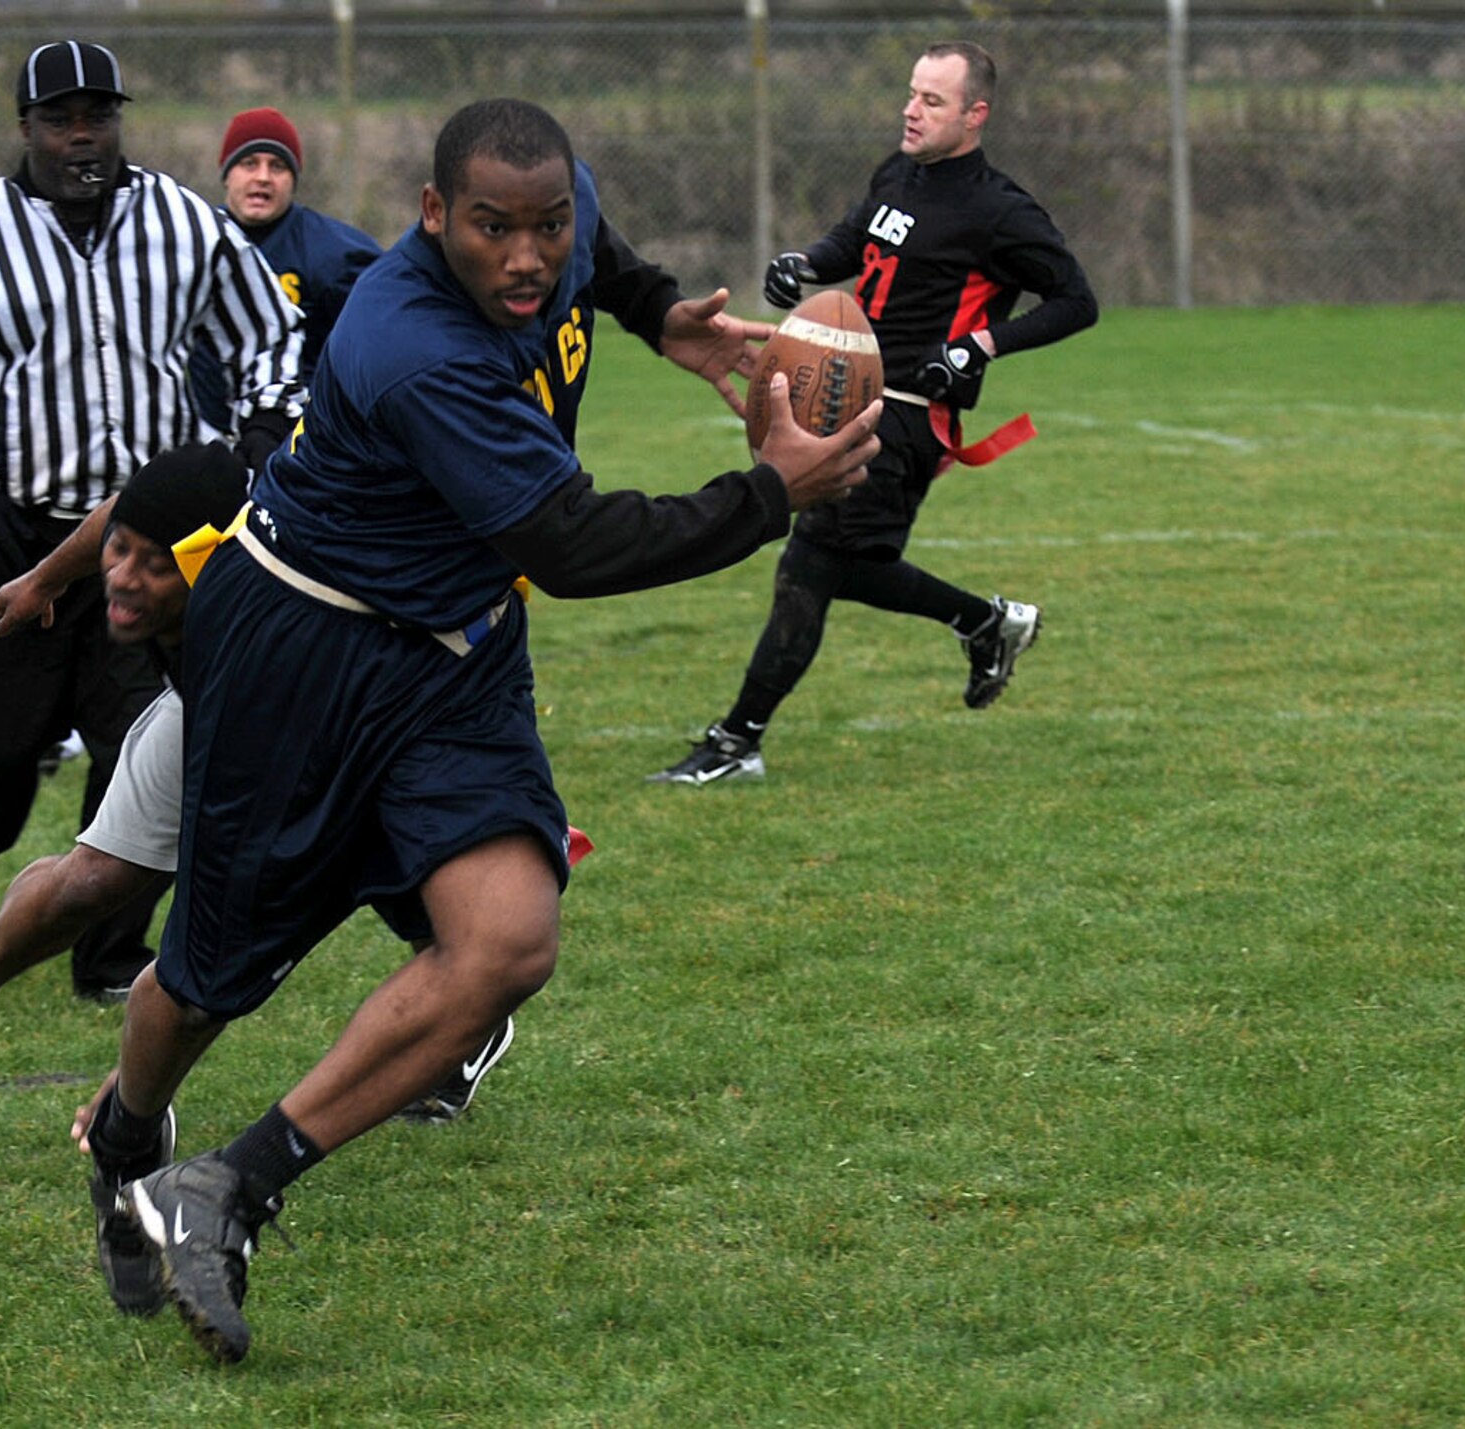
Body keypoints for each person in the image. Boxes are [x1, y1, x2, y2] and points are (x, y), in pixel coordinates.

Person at [78, 97, 883, 1364]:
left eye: (545, 226)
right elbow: (572, 545)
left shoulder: (560, 219)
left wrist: (652, 311)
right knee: (205, 982)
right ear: (432, 216)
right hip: (302, 646)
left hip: (452, 650)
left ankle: (226, 1190)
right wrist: (769, 491)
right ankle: (129, 1133)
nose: (526, 257)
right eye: (492, 230)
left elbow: (596, 249)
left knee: (507, 941)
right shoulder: (411, 346)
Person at [0, 441, 551, 1130]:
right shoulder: (229, 514)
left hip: (333, 723)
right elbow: (130, 516)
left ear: (214, 563)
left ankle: (462, 1017)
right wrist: (47, 578)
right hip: (218, 702)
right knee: (94, 876)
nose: (123, 578)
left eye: (154, 565)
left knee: (393, 911)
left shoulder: (267, 587)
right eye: (121, 553)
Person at [0, 40, 303, 998]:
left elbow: (270, 336)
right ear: (25, 128)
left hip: (153, 545)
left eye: (98, 116)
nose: (82, 136)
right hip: (13, 533)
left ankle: (108, 952)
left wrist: (264, 430)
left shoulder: (188, 226)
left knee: (142, 745)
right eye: (60, 119)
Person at [650, 40, 1098, 786]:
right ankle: (985, 622)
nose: (911, 110)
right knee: (841, 564)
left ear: (975, 115)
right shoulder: (899, 172)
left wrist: (979, 345)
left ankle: (736, 742)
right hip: (855, 395)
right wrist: (805, 264)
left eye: (932, 100)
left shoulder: (1001, 211)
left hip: (911, 413)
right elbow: (854, 241)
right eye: (912, 93)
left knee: (811, 560)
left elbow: (1077, 301)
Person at [190, 107, 385, 440]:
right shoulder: (192, 241)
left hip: (299, 432)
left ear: (294, 179)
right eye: (249, 163)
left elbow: (376, 343)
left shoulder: (333, 254)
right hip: (204, 430)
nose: (263, 177)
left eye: (277, 166)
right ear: (227, 174)